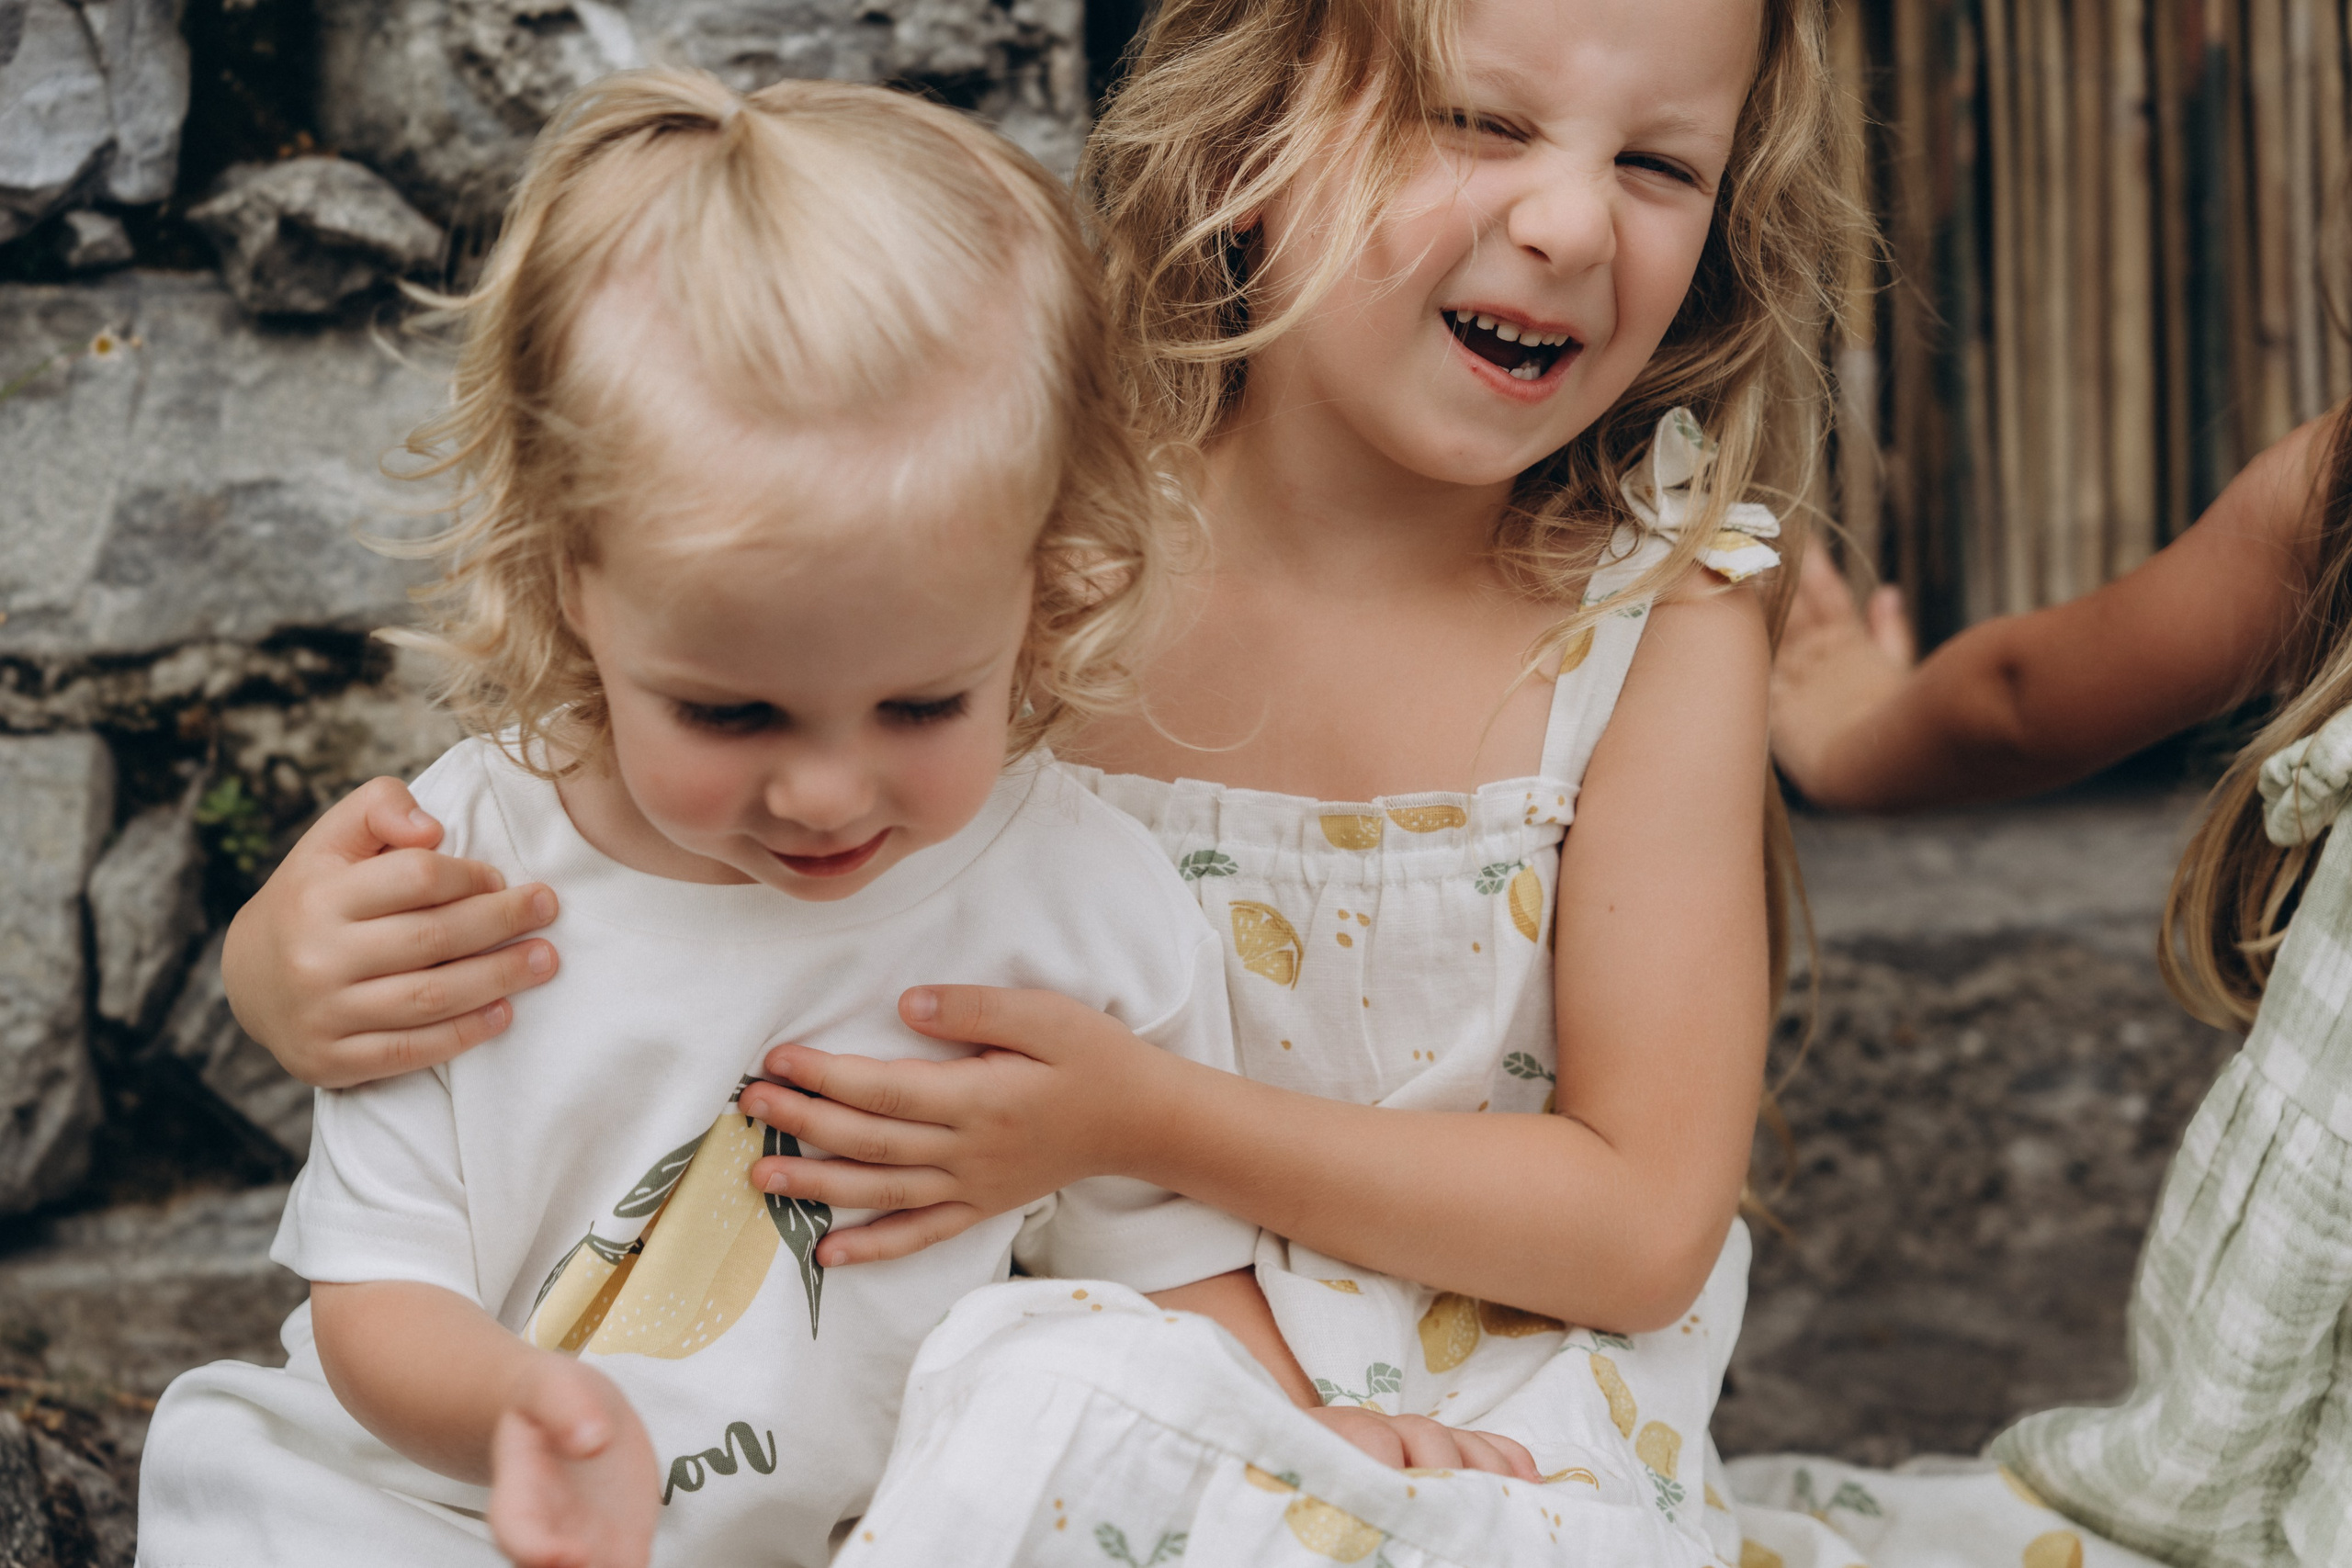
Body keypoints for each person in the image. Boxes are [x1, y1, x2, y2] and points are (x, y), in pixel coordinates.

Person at [214, 0, 1944, 1562]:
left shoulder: (1655, 614)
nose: (1569, 220)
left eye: (1657, 164)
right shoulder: (1023, 519)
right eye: (1476, 121)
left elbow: (1645, 1224)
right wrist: (276, 971)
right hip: (983, 1373)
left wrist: (1134, 1120)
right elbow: (649, 790)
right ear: (1250, 119)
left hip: (1472, 1405)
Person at [136, 68, 1378, 1568]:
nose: (828, 794)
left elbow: (1160, 1288)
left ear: (1044, 589)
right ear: (568, 582)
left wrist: (1309, 1442)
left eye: (923, 707)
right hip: (423, 1501)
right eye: (731, 715)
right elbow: (375, 1296)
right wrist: (528, 1416)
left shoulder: (1083, 903)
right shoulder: (472, 880)